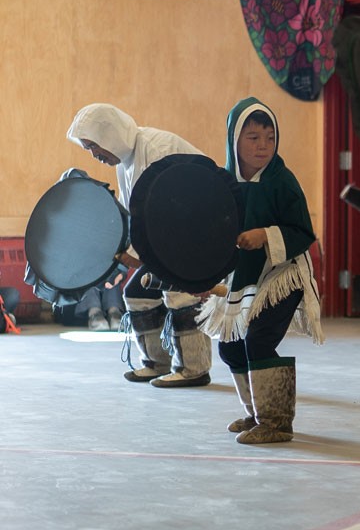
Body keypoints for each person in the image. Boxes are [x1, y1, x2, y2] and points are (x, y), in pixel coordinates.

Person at [198, 98, 323, 445]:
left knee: (259, 340)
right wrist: (204, 276)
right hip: (243, 276)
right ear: (233, 141)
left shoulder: (283, 181)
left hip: (283, 275)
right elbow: (215, 233)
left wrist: (266, 235)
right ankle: (256, 411)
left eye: (269, 137)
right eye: (253, 138)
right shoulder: (224, 184)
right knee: (230, 347)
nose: (263, 145)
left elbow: (303, 233)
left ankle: (277, 422)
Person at [67, 103, 212, 387]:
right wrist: (120, 253)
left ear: (109, 136)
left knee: (179, 293)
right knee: (137, 292)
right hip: (169, 238)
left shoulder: (156, 149)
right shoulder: (126, 160)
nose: (94, 155)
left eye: (94, 146)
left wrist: (135, 255)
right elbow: (133, 214)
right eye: (88, 150)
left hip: (195, 233)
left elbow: (171, 213)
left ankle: (194, 368)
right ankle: (156, 362)